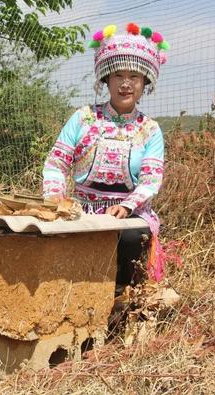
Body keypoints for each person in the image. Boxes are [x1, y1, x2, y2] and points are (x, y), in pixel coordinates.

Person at [43, 23, 169, 290]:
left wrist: (126, 207)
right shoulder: (83, 118)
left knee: (132, 237)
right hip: (82, 209)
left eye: (134, 77)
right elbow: (56, 163)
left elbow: (150, 181)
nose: (126, 84)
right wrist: (54, 197)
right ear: (106, 80)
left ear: (145, 82)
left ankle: (122, 303)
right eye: (118, 76)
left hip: (129, 213)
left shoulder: (150, 130)